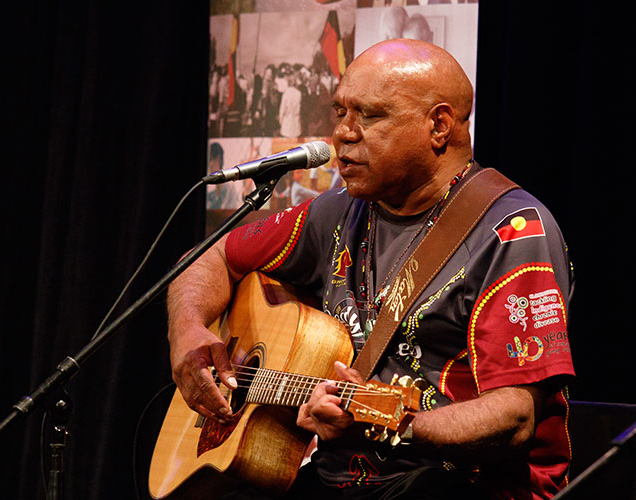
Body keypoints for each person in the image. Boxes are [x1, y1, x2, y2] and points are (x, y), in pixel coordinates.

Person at [167, 38, 575, 499]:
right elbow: (211, 255)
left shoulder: (513, 231)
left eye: (370, 115)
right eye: (341, 112)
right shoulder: (336, 210)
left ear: (438, 125)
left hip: (459, 483)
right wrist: (187, 333)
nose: (343, 133)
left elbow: (515, 417)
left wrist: (391, 420)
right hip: (337, 478)